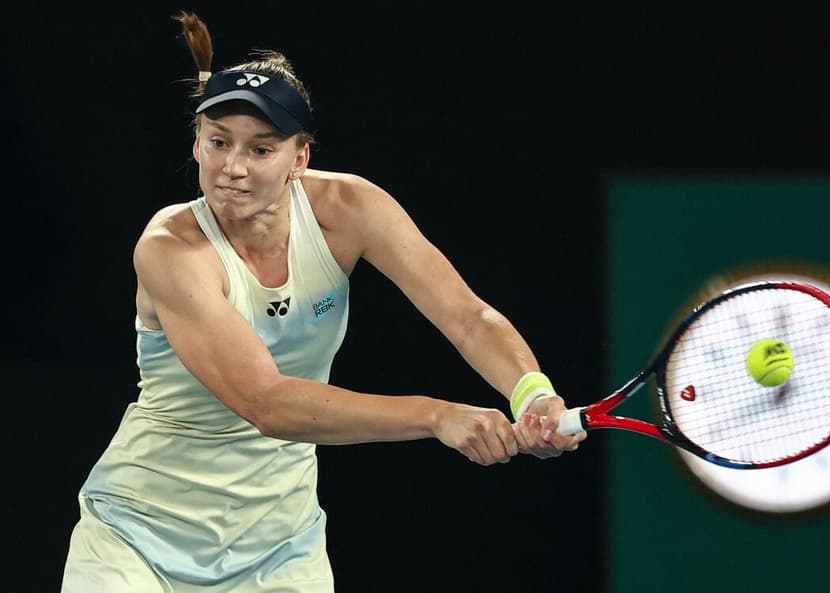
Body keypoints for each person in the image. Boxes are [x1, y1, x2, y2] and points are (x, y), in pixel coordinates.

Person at [60, 10, 585, 593]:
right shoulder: (170, 248)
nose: (232, 168)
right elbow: (268, 404)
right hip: (137, 542)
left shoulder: (351, 210)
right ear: (197, 143)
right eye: (218, 143)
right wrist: (437, 416)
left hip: (280, 549)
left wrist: (531, 392)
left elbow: (467, 316)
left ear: (299, 159)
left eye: (261, 150)